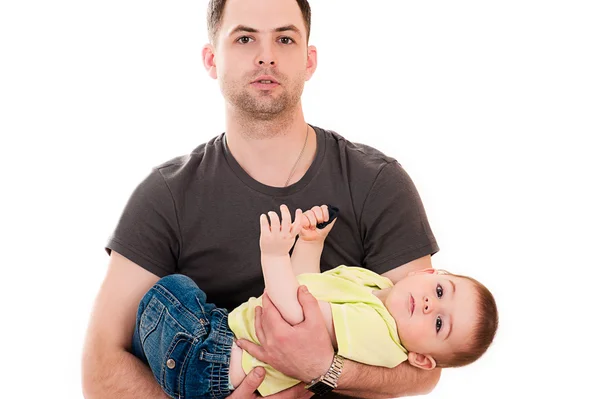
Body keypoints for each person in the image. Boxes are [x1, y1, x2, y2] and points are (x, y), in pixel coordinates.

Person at [82, 0, 446, 398]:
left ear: (309, 60)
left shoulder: (378, 183)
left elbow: (423, 368)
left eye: (285, 39)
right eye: (244, 38)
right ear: (211, 59)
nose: (266, 57)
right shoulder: (165, 196)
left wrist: (323, 368)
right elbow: (101, 369)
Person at [131, 205, 498, 399]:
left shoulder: (380, 336)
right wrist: (310, 244)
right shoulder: (375, 284)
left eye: (439, 324)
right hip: (218, 337)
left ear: (420, 358)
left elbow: (292, 315)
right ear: (428, 275)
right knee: (163, 305)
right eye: (439, 292)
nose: (432, 306)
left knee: (169, 292)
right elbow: (308, 286)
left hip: (213, 361)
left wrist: (273, 255)